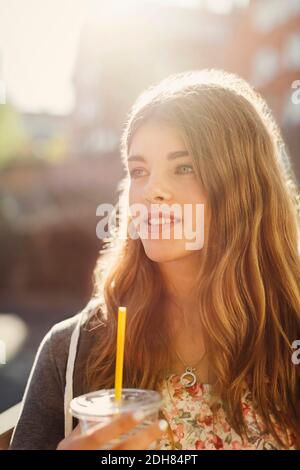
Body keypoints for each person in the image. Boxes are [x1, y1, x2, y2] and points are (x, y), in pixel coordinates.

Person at [10, 69, 300, 450]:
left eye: (184, 167)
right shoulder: (72, 350)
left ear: (246, 186)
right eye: (139, 171)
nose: (151, 191)